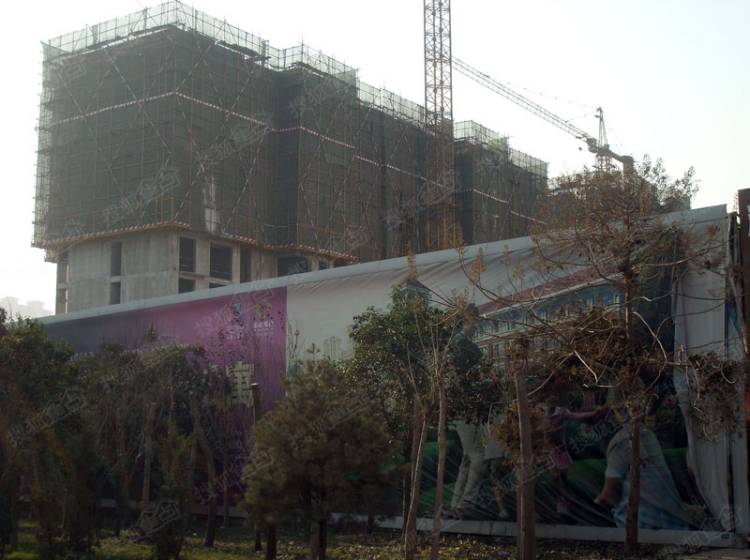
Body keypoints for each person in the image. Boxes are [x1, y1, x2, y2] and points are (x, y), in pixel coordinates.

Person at [595, 405, 689, 530]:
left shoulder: (622, 441)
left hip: (643, 526)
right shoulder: (647, 434)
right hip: (672, 525)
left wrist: (584, 508)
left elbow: (609, 495)